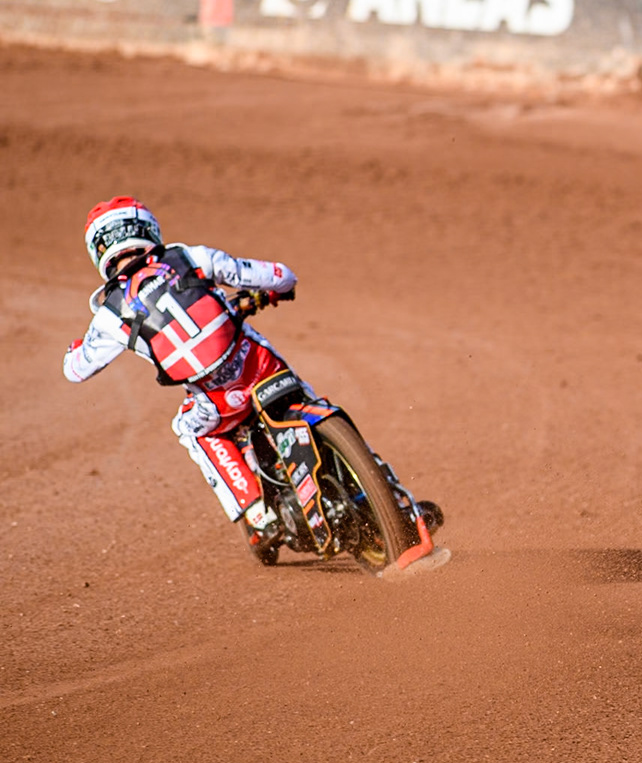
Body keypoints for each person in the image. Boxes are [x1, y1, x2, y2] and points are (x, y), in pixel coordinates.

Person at [62, 197, 419, 560]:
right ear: (148, 229)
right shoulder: (190, 257)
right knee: (312, 403)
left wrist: (76, 347)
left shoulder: (108, 315)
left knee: (189, 429)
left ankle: (256, 511)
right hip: (262, 368)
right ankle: (397, 501)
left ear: (100, 250)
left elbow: (75, 370)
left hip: (216, 402)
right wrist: (274, 290)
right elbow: (281, 276)